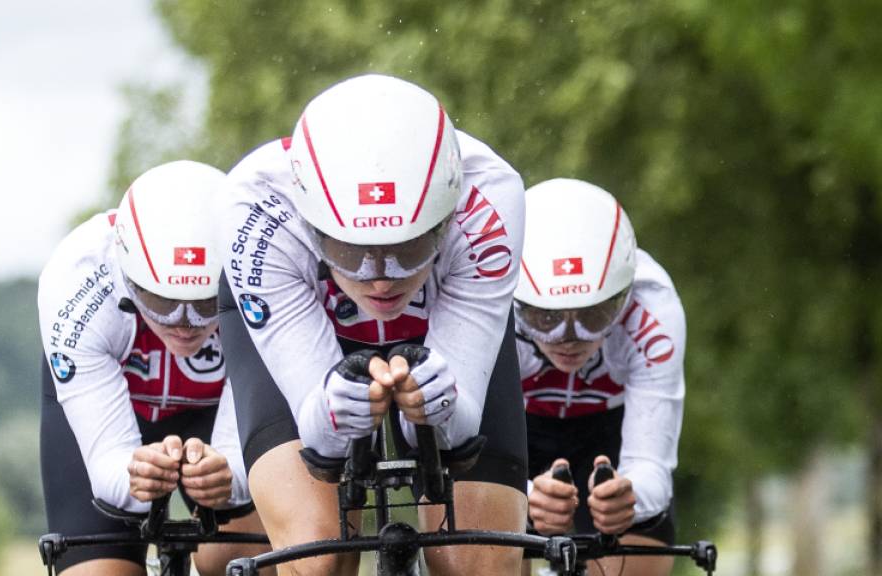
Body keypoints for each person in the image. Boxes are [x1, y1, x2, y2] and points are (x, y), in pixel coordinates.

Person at [216, 73, 528, 575]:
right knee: (316, 554)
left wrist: (441, 402)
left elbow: (462, 421)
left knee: (478, 562)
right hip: (306, 319)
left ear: (447, 218)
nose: (381, 282)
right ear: (311, 226)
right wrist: (333, 410)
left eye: (408, 249)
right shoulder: (254, 206)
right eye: (350, 252)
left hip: (440, 324)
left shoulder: (491, 194)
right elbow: (318, 434)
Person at [37, 160, 269, 576]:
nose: (184, 324)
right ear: (130, 277)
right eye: (163, 303)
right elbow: (109, 466)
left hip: (218, 412)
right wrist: (132, 475)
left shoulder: (257, 263)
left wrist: (230, 476)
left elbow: (242, 468)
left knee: (244, 565)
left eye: (204, 305)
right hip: (110, 413)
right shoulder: (78, 276)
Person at [515, 178, 685, 576]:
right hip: (515, 430)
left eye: (593, 316)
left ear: (624, 296)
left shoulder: (653, 309)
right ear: (516, 299)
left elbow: (651, 466)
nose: (569, 340)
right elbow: (458, 442)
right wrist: (520, 497)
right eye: (546, 318)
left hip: (610, 436)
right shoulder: (491, 293)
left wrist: (631, 497)